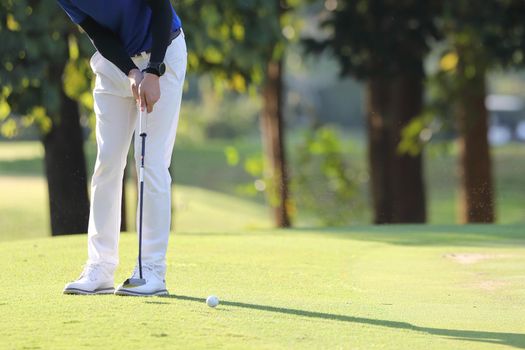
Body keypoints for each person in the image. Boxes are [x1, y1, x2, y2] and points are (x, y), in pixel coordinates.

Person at [57, 0, 187, 296]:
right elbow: (98, 33)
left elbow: (162, 10)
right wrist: (132, 72)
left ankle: (151, 270)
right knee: (107, 164)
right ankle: (100, 267)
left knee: (151, 162)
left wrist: (153, 71)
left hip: (163, 50)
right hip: (115, 65)